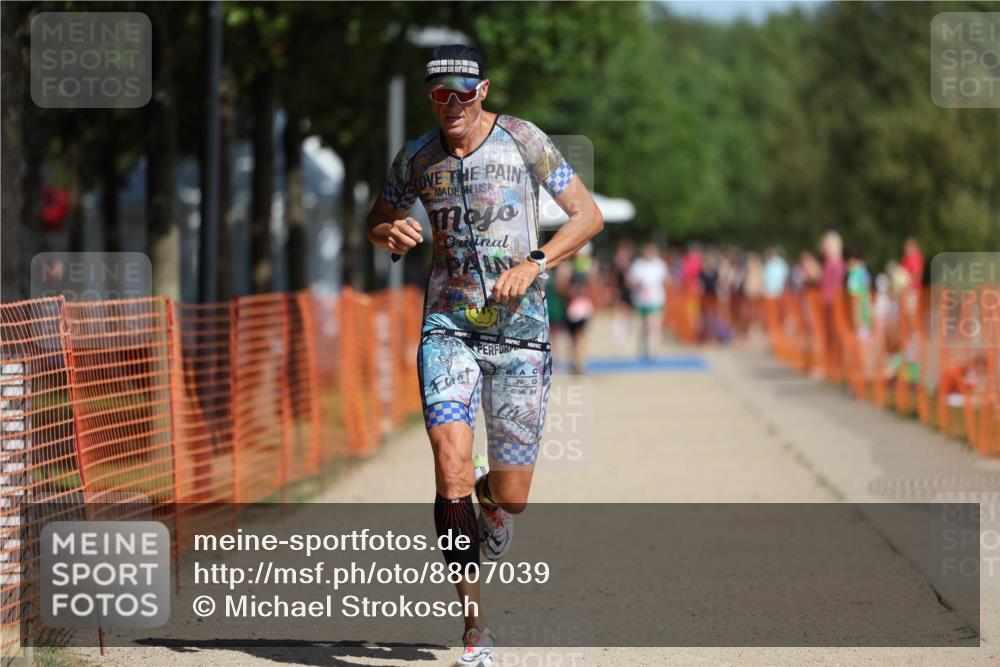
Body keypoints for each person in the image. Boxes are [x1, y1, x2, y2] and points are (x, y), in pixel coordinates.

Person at [365, 44, 603, 666]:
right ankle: (474, 627)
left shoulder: (525, 141)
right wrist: (387, 231)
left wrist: (537, 262)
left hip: (521, 335)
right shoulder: (416, 157)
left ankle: (491, 503)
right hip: (447, 328)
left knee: (513, 494)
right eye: (439, 94)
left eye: (461, 94)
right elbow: (377, 217)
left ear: (484, 91)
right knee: (449, 467)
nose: (451, 105)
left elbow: (588, 216)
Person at [628, 243, 669, 357]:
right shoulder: (638, 264)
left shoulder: (660, 264)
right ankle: (642, 349)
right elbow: (630, 280)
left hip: (656, 299)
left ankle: (653, 350)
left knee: (654, 325)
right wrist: (638, 284)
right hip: (641, 300)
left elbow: (666, 280)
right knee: (642, 326)